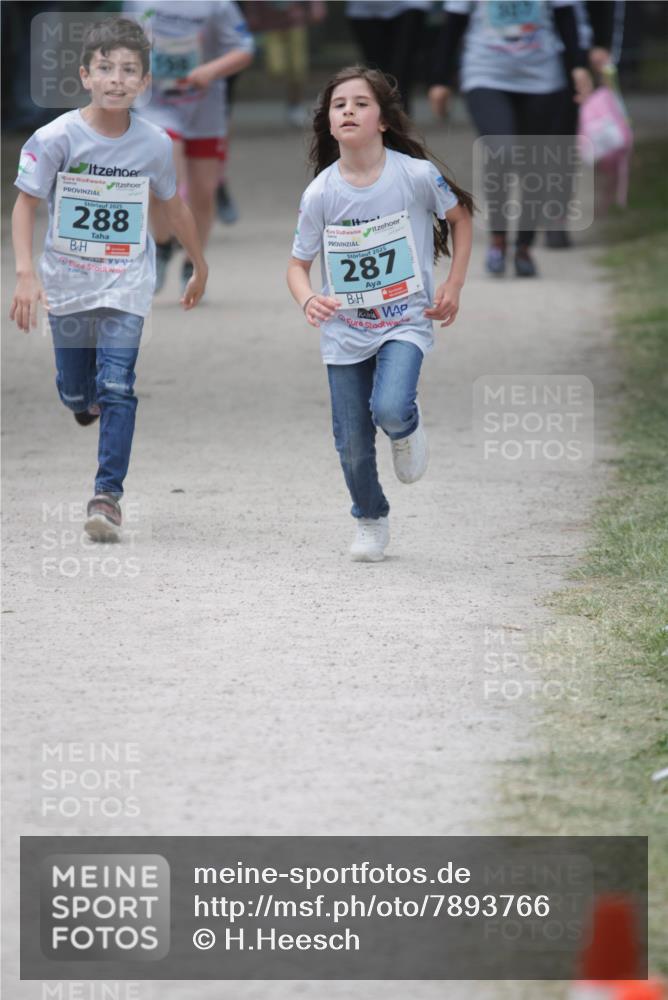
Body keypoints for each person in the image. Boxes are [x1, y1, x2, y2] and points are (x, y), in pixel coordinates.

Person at [10, 17, 208, 542]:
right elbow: (26, 205)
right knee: (77, 391)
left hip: (126, 283)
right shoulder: (55, 137)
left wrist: (199, 262)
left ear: (145, 82)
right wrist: (26, 273)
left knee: (118, 385)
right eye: (105, 68)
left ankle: (107, 496)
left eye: (128, 70)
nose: (117, 79)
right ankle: (83, 401)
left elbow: (174, 205)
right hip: (68, 284)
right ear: (85, 76)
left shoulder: (154, 143)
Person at [287, 66, 473, 563]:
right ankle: (369, 517)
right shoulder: (321, 193)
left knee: (389, 407)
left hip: (405, 318)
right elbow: (297, 266)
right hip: (345, 330)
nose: (348, 110)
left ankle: (405, 424)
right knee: (351, 441)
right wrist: (308, 299)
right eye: (338, 105)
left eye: (361, 103)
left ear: (384, 120)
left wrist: (453, 284)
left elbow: (460, 217)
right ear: (329, 124)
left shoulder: (415, 176)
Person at [429, 1, 593, 277]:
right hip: (486, 75)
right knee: (501, 151)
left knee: (534, 164)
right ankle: (499, 239)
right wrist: (439, 80)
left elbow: (566, 17)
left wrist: (578, 66)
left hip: (543, 79)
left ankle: (523, 247)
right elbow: (453, 24)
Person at [124, 1, 254, 291]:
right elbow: (123, 43)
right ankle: (161, 244)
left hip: (204, 107)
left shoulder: (218, 5)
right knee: (163, 177)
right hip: (156, 103)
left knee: (204, 192)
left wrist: (211, 69)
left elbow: (244, 48)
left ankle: (192, 263)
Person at [244, 1, 326, 128]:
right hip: (271, 24)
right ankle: (290, 101)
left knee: (298, 70)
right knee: (276, 69)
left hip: (295, 22)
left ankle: (295, 105)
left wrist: (316, 5)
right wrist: (252, 13)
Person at [345, 1, 432, 113]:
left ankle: (399, 112)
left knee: (402, 64)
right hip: (363, 9)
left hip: (410, 5)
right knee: (376, 67)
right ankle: (383, 110)